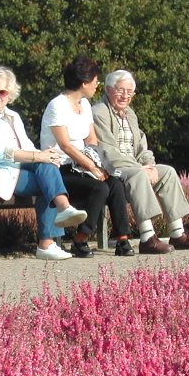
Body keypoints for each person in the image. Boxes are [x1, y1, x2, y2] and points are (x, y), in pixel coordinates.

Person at [0, 65, 88, 261]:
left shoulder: (13, 116)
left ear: (10, 95)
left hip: (11, 168)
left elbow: (27, 146)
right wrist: (39, 157)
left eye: (2, 92)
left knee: (48, 169)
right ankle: (49, 237)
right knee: (46, 179)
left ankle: (59, 217)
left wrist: (47, 156)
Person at [92, 70, 189, 253]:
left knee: (167, 172)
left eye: (129, 92)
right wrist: (140, 168)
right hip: (112, 169)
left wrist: (150, 166)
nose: (125, 96)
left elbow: (141, 147)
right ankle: (147, 238)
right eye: (120, 90)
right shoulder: (99, 112)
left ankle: (178, 234)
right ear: (107, 89)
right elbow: (108, 152)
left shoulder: (130, 114)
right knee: (138, 174)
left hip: (136, 167)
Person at [40, 54, 134, 257]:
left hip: (82, 163)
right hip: (60, 169)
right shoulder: (57, 105)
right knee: (99, 188)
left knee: (115, 184)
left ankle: (122, 239)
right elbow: (64, 145)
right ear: (84, 82)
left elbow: (91, 140)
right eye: (95, 81)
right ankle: (80, 239)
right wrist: (91, 167)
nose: (97, 85)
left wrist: (96, 164)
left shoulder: (85, 106)